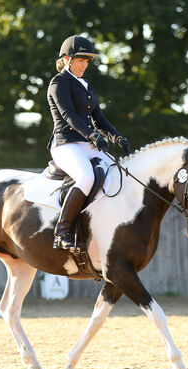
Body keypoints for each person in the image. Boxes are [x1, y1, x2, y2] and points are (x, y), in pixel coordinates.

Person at [47, 34, 131, 251]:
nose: (84, 65)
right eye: (80, 60)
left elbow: (99, 120)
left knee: (119, 173)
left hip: (87, 143)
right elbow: (67, 115)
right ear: (67, 59)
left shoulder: (86, 85)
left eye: (87, 61)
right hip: (66, 144)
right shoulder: (59, 82)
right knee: (86, 177)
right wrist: (92, 136)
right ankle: (62, 231)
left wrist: (117, 137)